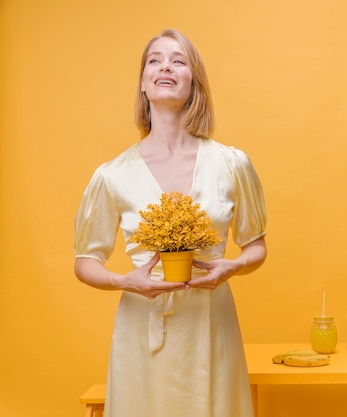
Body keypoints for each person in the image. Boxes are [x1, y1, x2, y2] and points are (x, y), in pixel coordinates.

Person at [73, 29, 267, 417]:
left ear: (194, 81)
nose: (165, 66)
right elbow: (84, 260)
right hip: (142, 327)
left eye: (179, 60)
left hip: (210, 324)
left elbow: (256, 246)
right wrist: (123, 281)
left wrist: (234, 266)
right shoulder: (112, 174)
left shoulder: (232, 164)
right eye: (154, 60)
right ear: (144, 83)